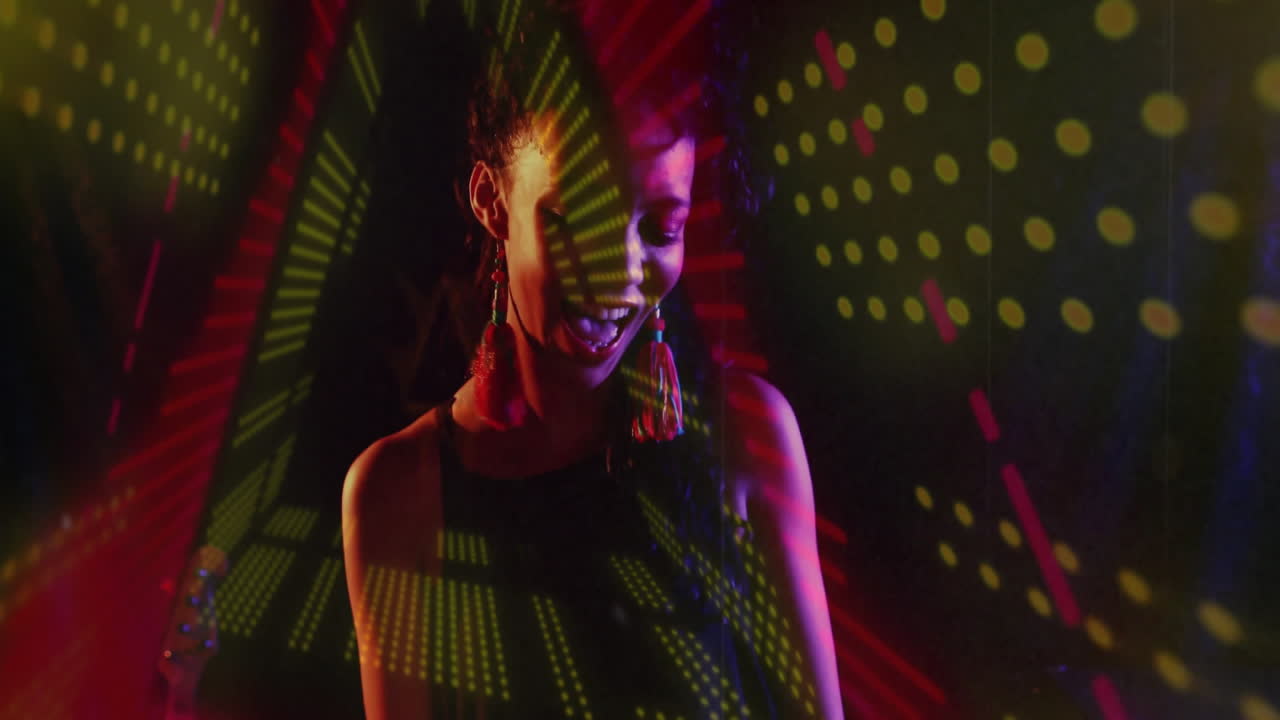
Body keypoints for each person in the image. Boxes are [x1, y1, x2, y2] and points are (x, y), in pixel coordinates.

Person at [342, 2, 843, 717]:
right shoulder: (398, 494)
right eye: (579, 216)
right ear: (491, 201)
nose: (617, 272)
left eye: (659, 226)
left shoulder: (749, 439)